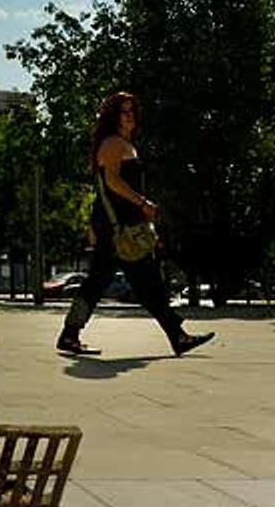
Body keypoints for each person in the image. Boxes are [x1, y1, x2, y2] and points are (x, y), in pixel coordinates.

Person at [56, 92, 216, 357]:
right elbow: (112, 183)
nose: (129, 115)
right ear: (113, 116)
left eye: (132, 110)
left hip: (122, 225)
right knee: (142, 281)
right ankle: (177, 336)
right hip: (118, 227)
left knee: (112, 281)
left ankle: (70, 334)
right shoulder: (112, 144)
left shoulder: (125, 144)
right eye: (123, 111)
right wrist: (143, 204)